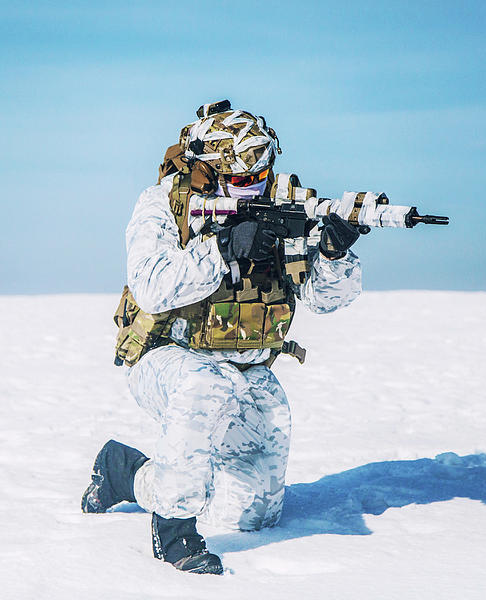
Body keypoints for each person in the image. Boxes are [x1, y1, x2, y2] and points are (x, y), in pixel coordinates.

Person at [82, 100, 362, 575]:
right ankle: (175, 531)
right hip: (169, 357)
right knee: (202, 391)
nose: (252, 186)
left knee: (253, 515)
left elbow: (325, 301)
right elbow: (151, 284)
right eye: (239, 178)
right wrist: (223, 246)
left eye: (259, 174)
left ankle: (122, 471)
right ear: (209, 170)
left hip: (249, 367)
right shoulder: (164, 202)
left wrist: (334, 255)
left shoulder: (285, 201)